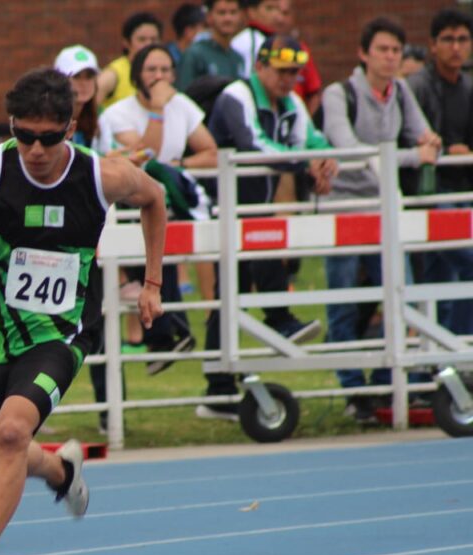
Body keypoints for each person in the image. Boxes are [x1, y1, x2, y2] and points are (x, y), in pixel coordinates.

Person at [0, 67, 167, 555]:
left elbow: (155, 201)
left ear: (72, 128)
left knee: (12, 432)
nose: (35, 149)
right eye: (24, 134)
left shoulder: (102, 176)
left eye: (48, 137)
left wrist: (152, 283)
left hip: (59, 331)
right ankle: (61, 471)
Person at [200, 34, 338, 421]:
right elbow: (253, 145)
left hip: (249, 208)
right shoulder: (236, 96)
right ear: (260, 66)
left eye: (295, 72)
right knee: (252, 260)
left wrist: (324, 163)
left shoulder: (292, 102)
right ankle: (280, 320)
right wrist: (305, 163)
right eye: (281, 71)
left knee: (230, 295)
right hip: (216, 206)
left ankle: (219, 390)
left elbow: (312, 140)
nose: (289, 79)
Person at [321, 17, 440, 424]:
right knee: (343, 303)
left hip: (387, 208)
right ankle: (355, 392)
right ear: (363, 53)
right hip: (343, 210)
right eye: (383, 50)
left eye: (396, 51)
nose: (390, 58)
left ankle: (384, 384)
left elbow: (424, 136)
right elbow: (349, 149)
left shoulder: (402, 91)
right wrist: (412, 155)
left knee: (399, 295)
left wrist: (430, 143)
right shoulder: (339, 94)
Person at [98, 44, 214, 373]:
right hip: (130, 207)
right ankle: (165, 334)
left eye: (166, 70)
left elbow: (211, 152)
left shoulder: (184, 106)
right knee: (147, 265)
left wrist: (178, 164)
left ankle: (170, 335)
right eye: (152, 70)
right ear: (137, 76)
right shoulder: (117, 113)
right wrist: (158, 110)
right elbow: (146, 155)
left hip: (171, 205)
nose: (160, 77)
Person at [407, 8, 473, 338]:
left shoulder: (469, 89)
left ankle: (453, 353)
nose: (456, 47)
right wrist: (447, 152)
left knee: (452, 280)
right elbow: (410, 137)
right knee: (450, 273)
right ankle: (452, 354)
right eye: (448, 39)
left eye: (463, 39)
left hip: (464, 196)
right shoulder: (416, 88)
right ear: (433, 45)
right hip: (430, 196)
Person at [97, 12, 163, 109]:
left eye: (153, 39)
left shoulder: (163, 72)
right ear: (126, 42)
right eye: (142, 39)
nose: (149, 45)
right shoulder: (113, 74)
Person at [176, 0, 246, 93]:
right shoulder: (195, 54)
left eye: (233, 12)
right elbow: (183, 95)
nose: (228, 18)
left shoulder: (238, 58)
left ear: (240, 16)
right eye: (222, 13)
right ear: (209, 17)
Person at [54, 45, 102, 149]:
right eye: (76, 76)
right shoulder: (50, 119)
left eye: (89, 77)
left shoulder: (101, 116)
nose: (83, 84)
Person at [167, 3, 208, 67]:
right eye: (205, 27)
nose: (207, 31)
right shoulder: (168, 55)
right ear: (188, 31)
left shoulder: (201, 55)